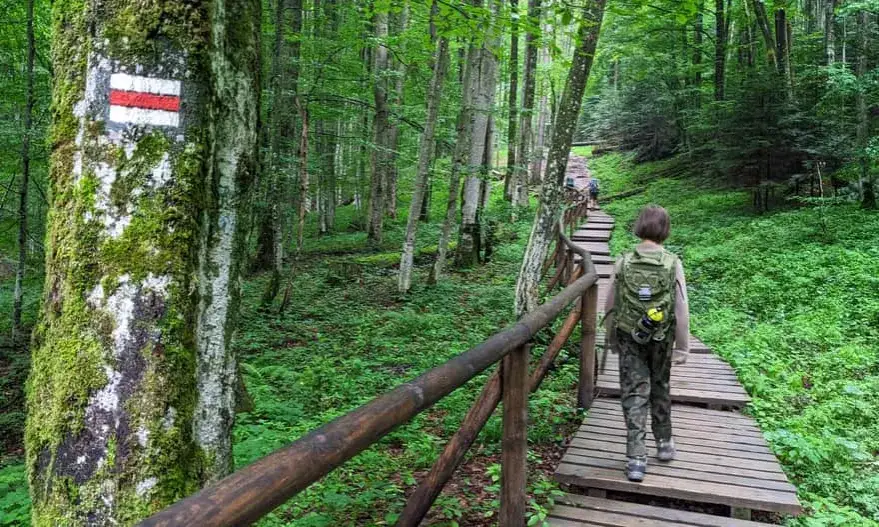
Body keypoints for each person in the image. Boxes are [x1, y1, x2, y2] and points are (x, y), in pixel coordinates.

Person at [604, 205, 690, 482]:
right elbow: (681, 308)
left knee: (633, 391)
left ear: (639, 226)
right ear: (665, 230)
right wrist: (683, 346)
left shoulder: (623, 260)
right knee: (660, 384)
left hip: (629, 335)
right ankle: (664, 443)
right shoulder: (672, 262)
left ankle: (636, 458)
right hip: (662, 336)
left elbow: (610, 305)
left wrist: (611, 339)